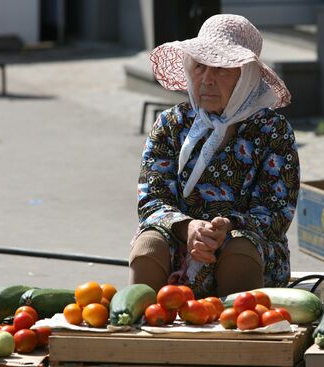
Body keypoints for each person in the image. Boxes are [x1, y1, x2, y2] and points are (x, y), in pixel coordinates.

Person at [128, 14, 300, 299]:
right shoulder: (172, 123)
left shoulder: (273, 131)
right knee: (148, 246)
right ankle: (145, 329)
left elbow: (276, 210)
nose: (206, 79)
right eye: (199, 67)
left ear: (247, 76)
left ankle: (237, 334)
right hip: (180, 239)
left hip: (247, 243)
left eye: (221, 69)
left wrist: (226, 227)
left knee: (240, 250)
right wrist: (188, 228)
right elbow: (152, 199)